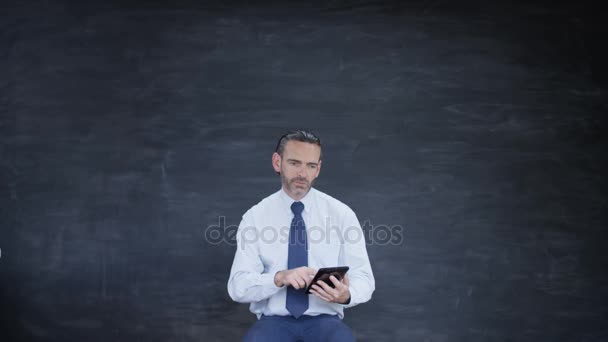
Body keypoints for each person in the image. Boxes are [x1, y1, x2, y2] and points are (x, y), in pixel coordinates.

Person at [227, 129, 375, 342]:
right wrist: (279, 277)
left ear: (318, 169)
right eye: (295, 163)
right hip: (273, 322)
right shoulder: (254, 218)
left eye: (311, 166)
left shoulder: (342, 214)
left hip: (325, 320)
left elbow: (364, 279)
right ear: (277, 162)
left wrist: (347, 295)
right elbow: (238, 287)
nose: (303, 174)